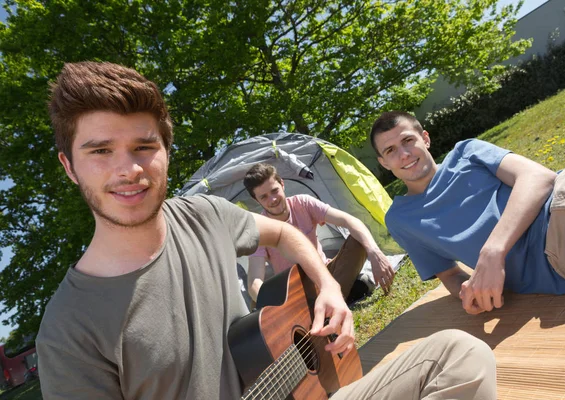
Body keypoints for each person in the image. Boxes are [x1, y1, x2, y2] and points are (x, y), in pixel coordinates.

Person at [36, 62, 497, 400]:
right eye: (100, 151)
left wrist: (328, 290)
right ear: (69, 167)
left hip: (310, 390)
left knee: (459, 356)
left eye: (143, 146)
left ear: (166, 151)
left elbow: (286, 236)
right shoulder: (69, 332)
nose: (129, 169)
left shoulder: (204, 216)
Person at [370, 110, 565, 315]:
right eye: (391, 150)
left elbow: (539, 177)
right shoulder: (401, 220)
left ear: (425, 139)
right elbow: (449, 275)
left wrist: (492, 251)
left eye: (408, 140)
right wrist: (470, 293)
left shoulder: (467, 152)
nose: (404, 154)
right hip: (562, 247)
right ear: (384, 163)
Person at [243, 163, 395, 303]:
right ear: (257, 200)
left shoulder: (303, 203)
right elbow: (254, 282)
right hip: (298, 291)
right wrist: (275, 307)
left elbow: (350, 221)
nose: (273, 199)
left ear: (282, 184)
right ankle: (340, 296)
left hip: (327, 273)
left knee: (358, 240)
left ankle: (329, 302)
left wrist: (374, 253)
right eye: (264, 197)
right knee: (266, 300)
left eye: (274, 191)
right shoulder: (260, 229)